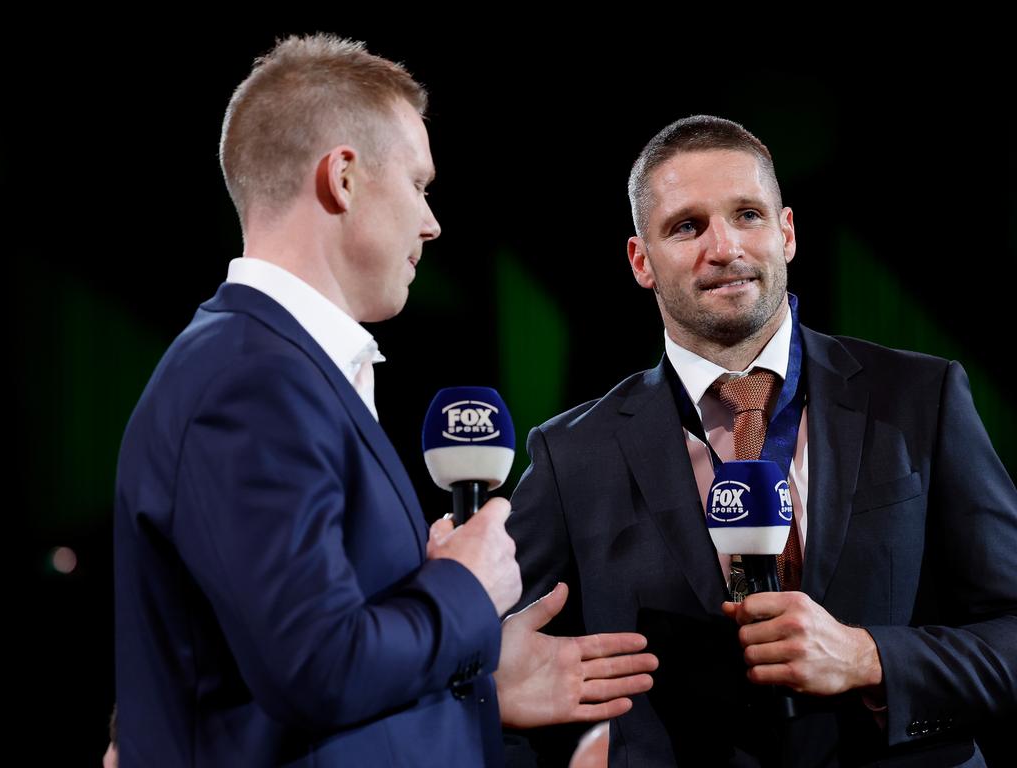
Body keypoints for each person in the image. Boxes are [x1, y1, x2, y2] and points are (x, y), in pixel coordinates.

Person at [113, 34, 655, 768]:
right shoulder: (253, 383)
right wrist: (465, 588)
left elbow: (305, 670)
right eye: (420, 184)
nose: (431, 223)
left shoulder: (273, 367)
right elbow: (316, 669)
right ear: (343, 176)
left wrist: (478, 675)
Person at [504, 115, 1017, 767]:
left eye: (747, 214)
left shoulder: (922, 397)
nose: (725, 247)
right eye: (687, 226)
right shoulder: (570, 452)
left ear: (788, 232)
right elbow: (503, 679)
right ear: (641, 261)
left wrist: (870, 657)